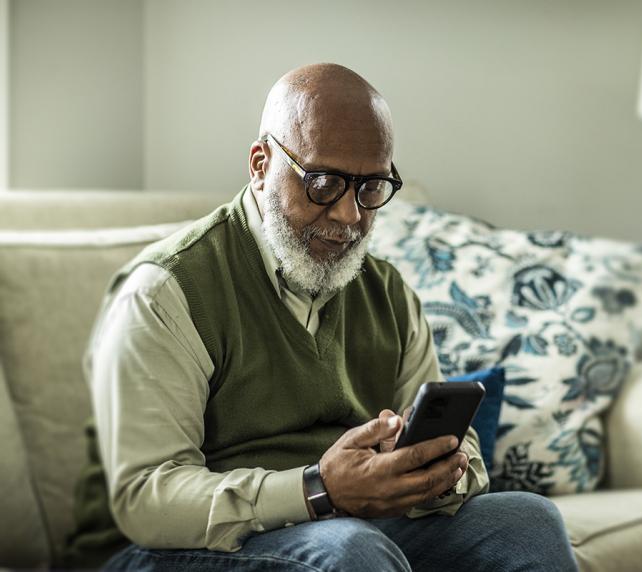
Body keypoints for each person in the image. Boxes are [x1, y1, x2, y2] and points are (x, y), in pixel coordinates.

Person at [63, 63, 578, 571]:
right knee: (349, 551)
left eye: (372, 187)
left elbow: (460, 450)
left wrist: (430, 473)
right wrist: (319, 490)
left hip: (346, 528)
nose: (350, 215)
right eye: (323, 182)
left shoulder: (388, 294)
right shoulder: (167, 290)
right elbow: (146, 499)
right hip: (163, 549)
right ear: (261, 164)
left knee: (528, 523)